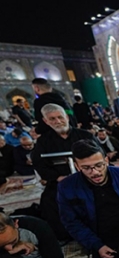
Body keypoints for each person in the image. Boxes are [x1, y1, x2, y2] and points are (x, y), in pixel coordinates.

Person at [32, 103, 97, 241]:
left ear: (66, 117)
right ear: (46, 121)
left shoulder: (85, 135)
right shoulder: (43, 141)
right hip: (60, 180)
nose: (58, 121)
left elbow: (100, 156)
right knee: (49, 201)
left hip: (89, 177)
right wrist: (57, 177)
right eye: (52, 119)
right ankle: (66, 234)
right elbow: (39, 164)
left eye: (60, 117)